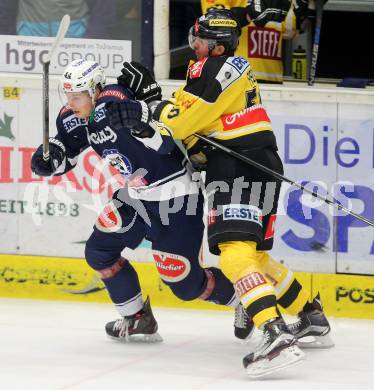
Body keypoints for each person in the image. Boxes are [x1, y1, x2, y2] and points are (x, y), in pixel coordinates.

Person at [107, 8, 333, 377]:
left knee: (233, 257)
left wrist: (148, 102)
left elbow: (179, 124)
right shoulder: (213, 73)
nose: (192, 45)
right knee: (254, 258)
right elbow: (185, 123)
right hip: (250, 164)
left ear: (215, 46)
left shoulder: (219, 68)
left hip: (239, 168)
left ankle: (275, 334)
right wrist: (154, 106)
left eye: (198, 39)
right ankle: (311, 315)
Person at [30, 59, 243, 343]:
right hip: (136, 197)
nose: (70, 104)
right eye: (67, 96)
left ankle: (247, 302)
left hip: (175, 197)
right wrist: (49, 159)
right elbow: (67, 148)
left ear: (94, 91)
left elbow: (167, 142)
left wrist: (143, 126)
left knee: (186, 285)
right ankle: (137, 318)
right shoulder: (79, 115)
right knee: (99, 251)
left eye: (76, 96)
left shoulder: (116, 104)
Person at [200, 0, 324, 83]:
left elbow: (289, 32)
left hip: (273, 82)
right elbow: (212, 23)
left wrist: (310, 6)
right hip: (233, 81)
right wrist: (248, 14)